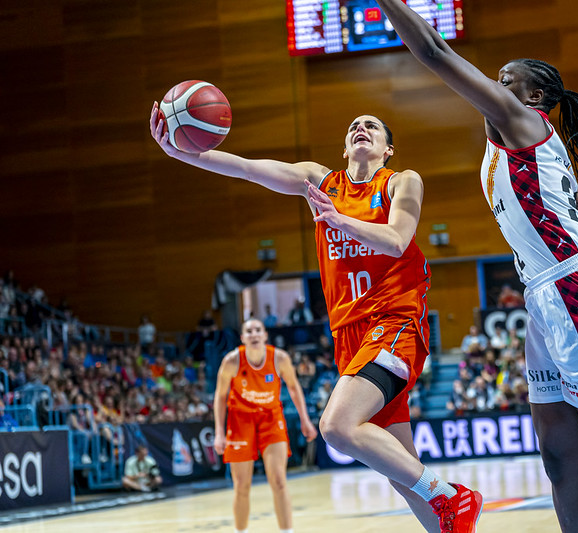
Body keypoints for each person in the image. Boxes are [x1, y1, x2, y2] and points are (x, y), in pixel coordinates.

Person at [371, 2, 578, 531]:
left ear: (534, 96)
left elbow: (432, 50)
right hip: (546, 296)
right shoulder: (513, 141)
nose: (492, 85)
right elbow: (575, 213)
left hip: (576, 287)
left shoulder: (522, 122)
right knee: (559, 459)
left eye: (505, 79)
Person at [150, 107, 482, 532]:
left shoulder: (402, 180)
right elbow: (248, 169)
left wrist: (340, 220)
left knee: (336, 426)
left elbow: (399, 239)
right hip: (350, 335)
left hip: (394, 319)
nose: (360, 128)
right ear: (345, 148)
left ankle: (451, 495)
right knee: (404, 472)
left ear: (388, 148)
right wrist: (183, 154)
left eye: (372, 126)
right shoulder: (320, 181)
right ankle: (448, 518)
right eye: (353, 126)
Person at [213, 319, 317, 533]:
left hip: (271, 417)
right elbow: (220, 396)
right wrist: (219, 432)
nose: (254, 334)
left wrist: (305, 420)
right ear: (242, 338)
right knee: (242, 485)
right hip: (240, 419)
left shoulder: (280, 358)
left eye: (257, 330)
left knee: (279, 480)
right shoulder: (232, 361)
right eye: (249, 331)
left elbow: (294, 388)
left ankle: (287, 531)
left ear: (265, 335)